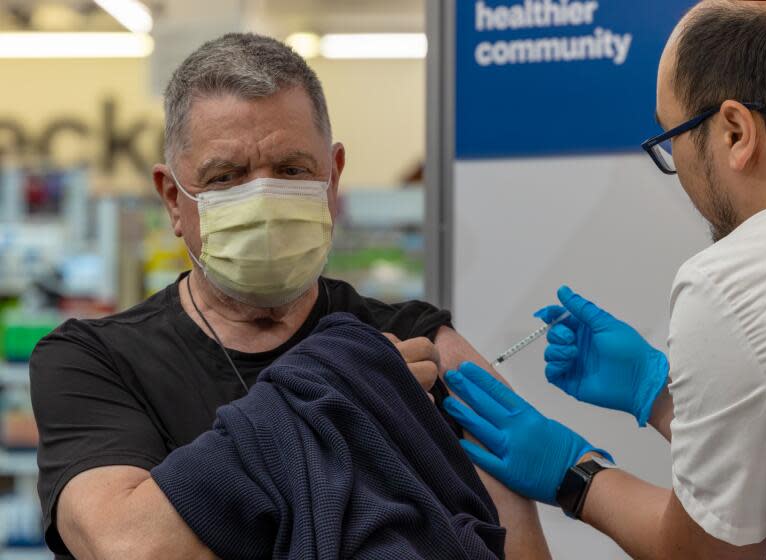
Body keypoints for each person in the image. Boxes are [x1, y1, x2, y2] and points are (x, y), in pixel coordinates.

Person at [29, 33, 550, 559]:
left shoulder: (423, 347)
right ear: (172, 199)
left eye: (292, 170)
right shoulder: (94, 363)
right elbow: (129, 547)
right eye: (225, 177)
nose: (264, 199)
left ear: (333, 178)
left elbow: (518, 551)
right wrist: (334, 391)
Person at [442, 2, 766, 559]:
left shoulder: (732, 280)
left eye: (671, 138)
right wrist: (659, 396)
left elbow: (711, 555)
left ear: (734, 132)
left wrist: (573, 473)